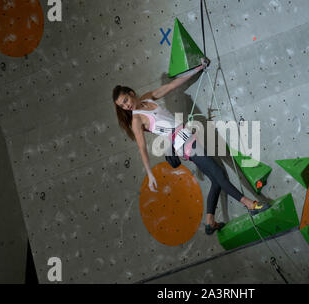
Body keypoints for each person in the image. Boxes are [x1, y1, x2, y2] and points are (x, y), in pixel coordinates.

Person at [112, 59, 270, 235]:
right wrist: (149, 175)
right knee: (219, 173)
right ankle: (250, 205)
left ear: (131, 93)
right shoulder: (136, 120)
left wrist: (198, 69)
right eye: (123, 105)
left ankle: (210, 221)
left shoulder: (148, 97)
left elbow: (173, 85)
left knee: (216, 179)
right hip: (182, 143)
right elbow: (142, 148)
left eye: (126, 100)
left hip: (186, 135)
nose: (127, 105)